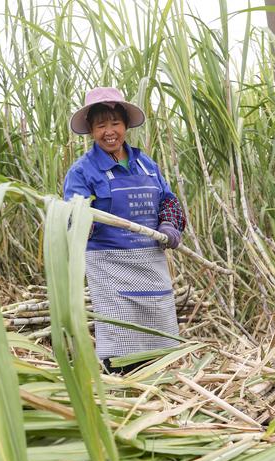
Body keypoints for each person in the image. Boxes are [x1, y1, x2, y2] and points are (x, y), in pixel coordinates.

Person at [63, 87, 186, 375]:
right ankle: (120, 385)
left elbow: (167, 199)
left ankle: (159, 383)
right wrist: (85, 222)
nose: (109, 131)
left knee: (159, 334)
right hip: (109, 266)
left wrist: (169, 224)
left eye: (115, 123)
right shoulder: (82, 171)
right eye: (101, 125)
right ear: (91, 131)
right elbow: (73, 217)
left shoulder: (146, 164)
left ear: (125, 126)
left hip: (151, 262)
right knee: (120, 336)